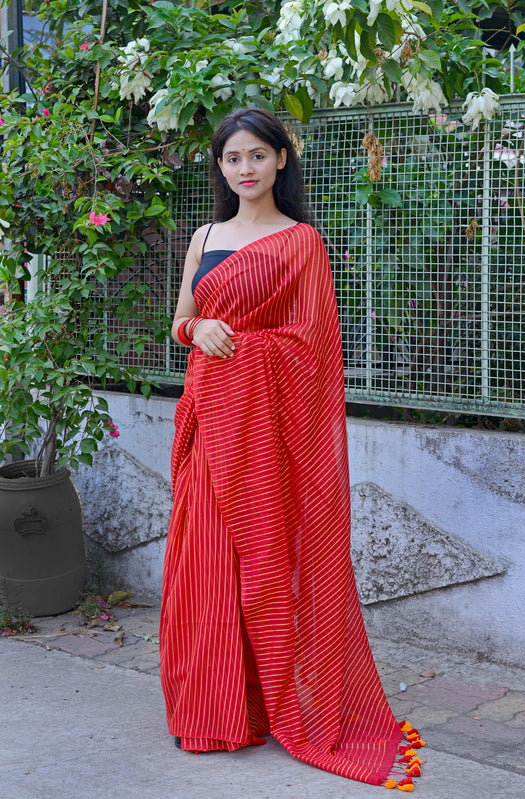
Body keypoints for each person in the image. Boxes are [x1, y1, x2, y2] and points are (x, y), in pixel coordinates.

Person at [159, 107, 423, 790]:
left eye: (255, 155)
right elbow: (181, 322)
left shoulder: (300, 241)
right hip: (205, 424)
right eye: (230, 159)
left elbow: (312, 347)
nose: (243, 169)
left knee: (266, 569)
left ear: (280, 159)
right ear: (219, 168)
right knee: (205, 565)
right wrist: (201, 330)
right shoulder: (206, 235)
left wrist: (241, 343)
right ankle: (214, 709)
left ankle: (276, 702)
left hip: (262, 436)